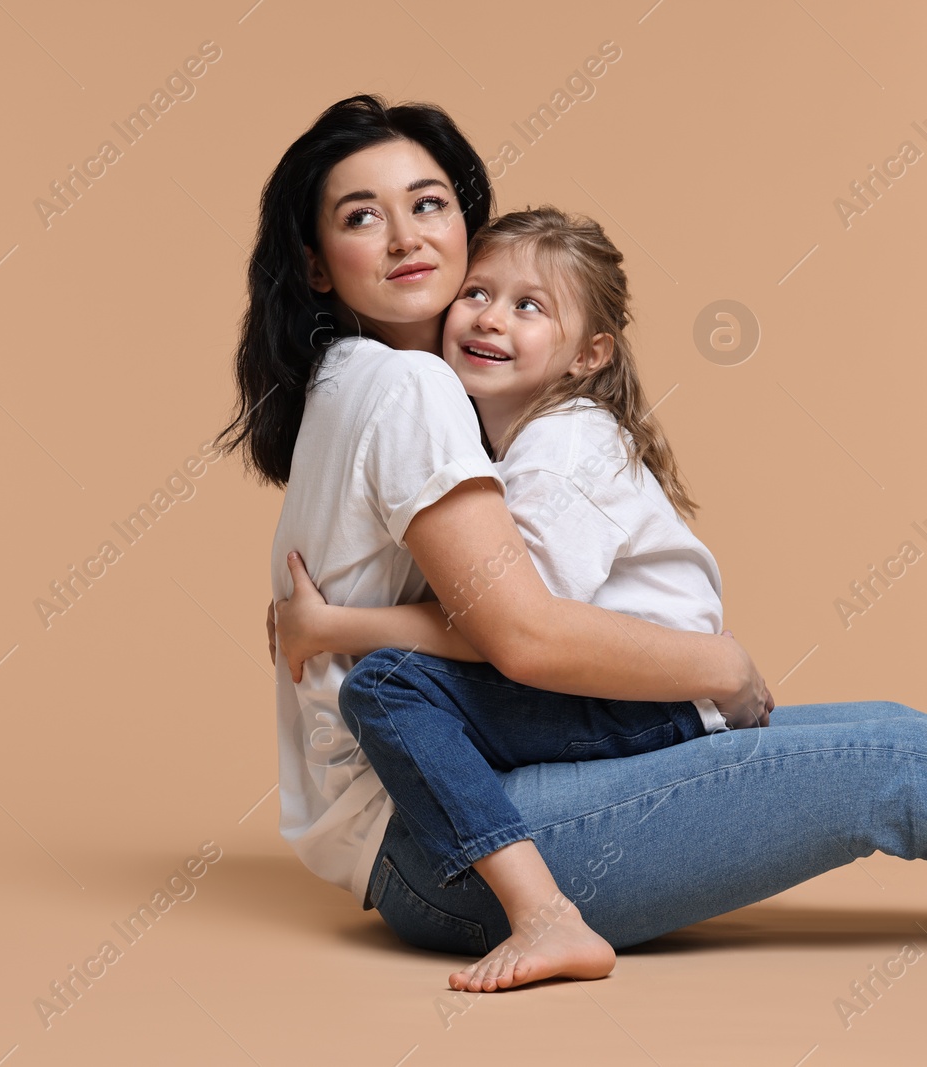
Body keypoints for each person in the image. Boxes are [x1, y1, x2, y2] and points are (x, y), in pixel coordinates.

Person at [220, 93, 927, 995]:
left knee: (898, 738)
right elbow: (524, 635)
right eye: (363, 217)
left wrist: (331, 627)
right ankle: (545, 912)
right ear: (317, 267)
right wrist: (721, 663)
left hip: (443, 816)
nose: (405, 238)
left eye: (428, 204)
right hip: (448, 847)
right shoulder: (414, 392)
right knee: (893, 762)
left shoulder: (357, 381)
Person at [276, 204, 746, 992]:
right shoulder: (515, 442)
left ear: (588, 353)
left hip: (651, 698)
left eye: (529, 306)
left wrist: (329, 625)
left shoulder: (561, 449)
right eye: (479, 293)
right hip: (617, 692)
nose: (491, 318)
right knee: (415, 691)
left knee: (389, 687)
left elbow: (512, 631)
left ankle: (546, 914)